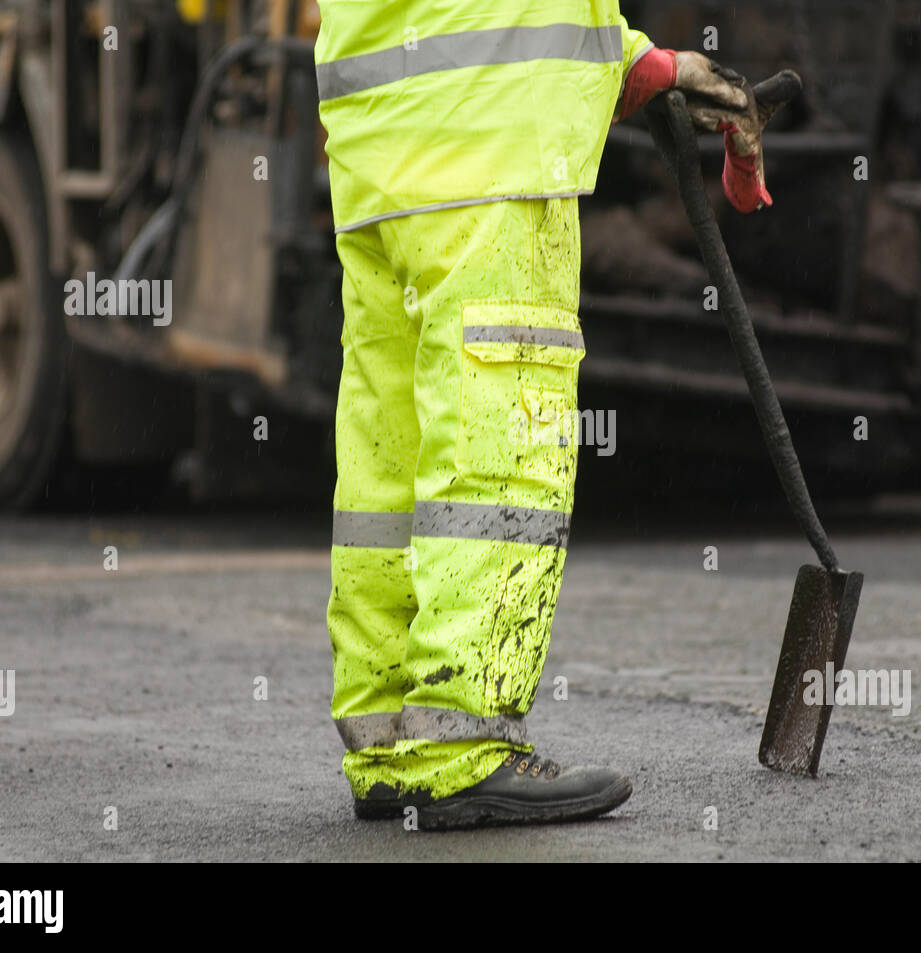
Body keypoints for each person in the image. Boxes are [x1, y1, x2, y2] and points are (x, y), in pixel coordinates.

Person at [315, 1, 772, 830]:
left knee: (391, 454)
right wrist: (618, 55)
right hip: (493, 143)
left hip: (379, 148)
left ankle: (387, 740)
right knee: (499, 439)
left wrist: (636, 62)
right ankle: (460, 744)